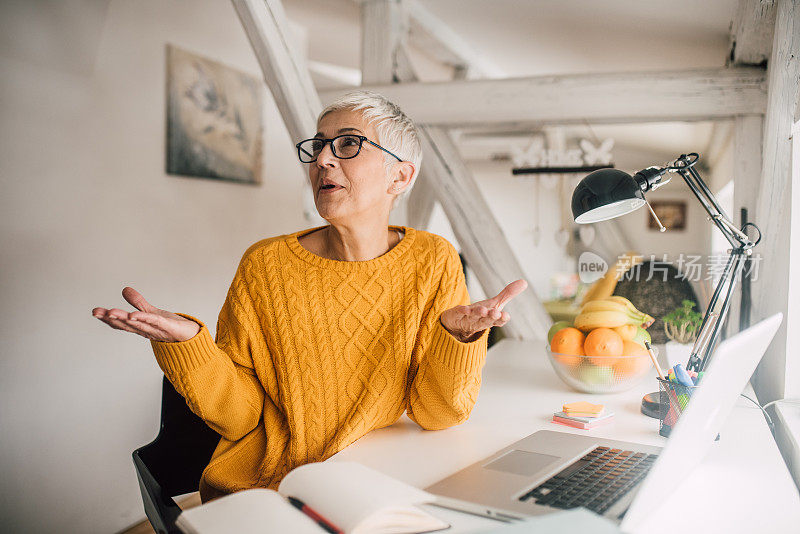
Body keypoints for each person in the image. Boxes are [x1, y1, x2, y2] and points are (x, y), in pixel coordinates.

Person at [92, 90, 527, 502]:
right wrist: (189, 346)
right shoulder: (265, 265)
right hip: (269, 488)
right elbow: (240, 417)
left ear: (400, 175)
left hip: (372, 479)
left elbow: (439, 414)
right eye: (319, 146)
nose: (322, 160)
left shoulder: (434, 260)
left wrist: (457, 338)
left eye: (348, 145)